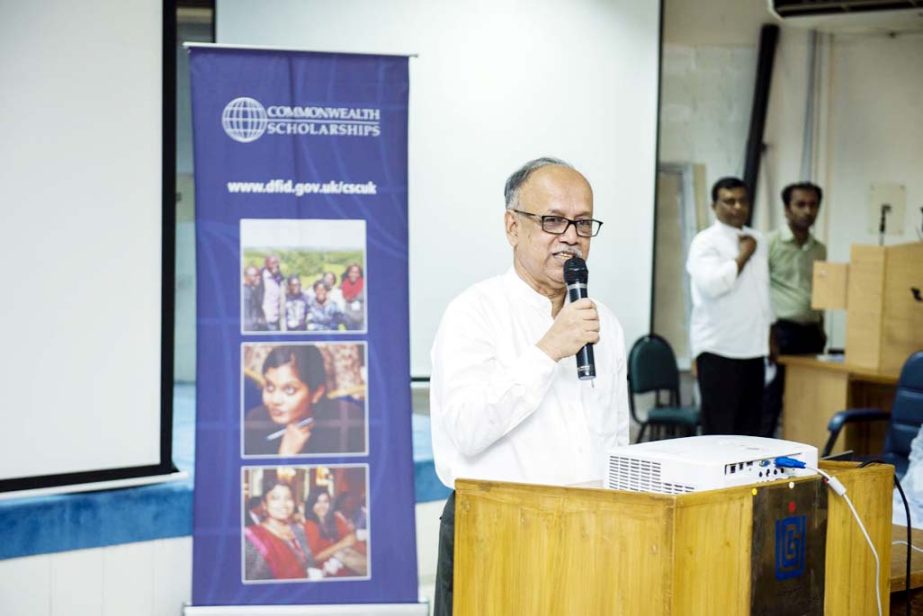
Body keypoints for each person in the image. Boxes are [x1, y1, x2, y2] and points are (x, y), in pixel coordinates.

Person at [429, 157, 631, 616]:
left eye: (582, 223)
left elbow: (615, 435)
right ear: (511, 226)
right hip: (495, 532)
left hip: (589, 532)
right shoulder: (473, 312)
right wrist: (547, 350)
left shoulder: (606, 322)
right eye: (552, 220)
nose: (571, 236)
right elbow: (468, 428)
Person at [686, 177, 771, 436]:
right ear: (714, 205)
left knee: (751, 432)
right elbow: (712, 285)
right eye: (729, 201)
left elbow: (762, 292)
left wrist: (772, 333)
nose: (737, 207)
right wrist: (744, 254)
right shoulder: (705, 241)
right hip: (718, 350)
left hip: (754, 350)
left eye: (742, 201)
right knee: (720, 434)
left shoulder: (757, 238)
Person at [761, 182, 827, 437]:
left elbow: (820, 292)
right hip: (780, 333)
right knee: (770, 402)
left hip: (811, 333)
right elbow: (760, 292)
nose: (807, 211)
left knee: (807, 402)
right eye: (800, 204)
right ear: (787, 209)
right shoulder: (770, 243)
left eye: (813, 205)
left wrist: (821, 329)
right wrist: (768, 336)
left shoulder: (819, 248)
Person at [244, 345, 365, 456]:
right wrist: (286, 455)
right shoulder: (255, 420)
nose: (275, 400)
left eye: (289, 390)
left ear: (316, 393)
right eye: (269, 387)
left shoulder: (349, 420)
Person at [243, 479, 316, 580]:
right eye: (275, 498)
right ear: (264, 505)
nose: (283, 504)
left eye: (288, 498)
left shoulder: (298, 530)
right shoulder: (252, 538)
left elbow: (309, 563)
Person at [303, 489, 367, 577]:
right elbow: (313, 559)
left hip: (347, 566)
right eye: (317, 502)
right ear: (311, 504)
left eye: (325, 501)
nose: (322, 506)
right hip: (326, 572)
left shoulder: (336, 519)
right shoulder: (309, 525)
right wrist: (342, 544)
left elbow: (352, 540)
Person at [261, 255, 284, 331]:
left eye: (277, 263)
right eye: (273, 263)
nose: (276, 265)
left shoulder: (279, 278)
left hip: (276, 320)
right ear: (266, 264)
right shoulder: (260, 278)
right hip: (265, 321)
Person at [340, 264, 365, 330]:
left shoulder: (365, 285)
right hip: (348, 318)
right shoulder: (343, 285)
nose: (354, 274)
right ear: (348, 273)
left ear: (359, 274)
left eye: (356, 272)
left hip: (362, 317)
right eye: (352, 272)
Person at [242, 265, 265, 331]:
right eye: (255, 275)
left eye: (259, 275)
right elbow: (246, 318)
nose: (259, 277)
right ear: (246, 277)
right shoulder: (245, 293)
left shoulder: (252, 289)